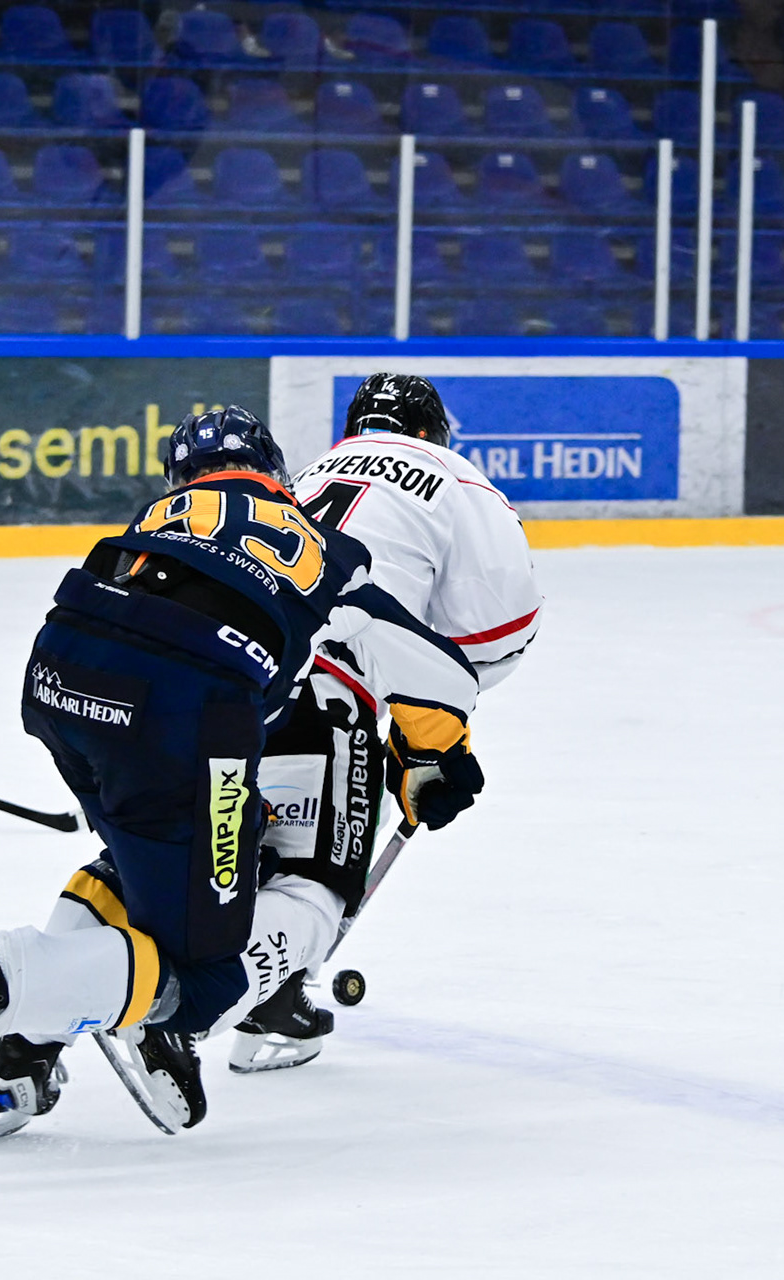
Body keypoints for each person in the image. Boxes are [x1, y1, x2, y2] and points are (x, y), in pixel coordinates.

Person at [0, 406, 484, 1144]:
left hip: (58, 681)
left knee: (144, 858)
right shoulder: (329, 550)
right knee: (205, 977)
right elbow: (440, 670)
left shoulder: (162, 519)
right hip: (186, 708)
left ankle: (21, 1064)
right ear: (279, 474)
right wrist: (437, 756)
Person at [229, 372, 542, 1072]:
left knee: (228, 843)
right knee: (316, 879)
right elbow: (498, 633)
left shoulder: (308, 474)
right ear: (434, 431)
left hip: (228, 672)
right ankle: (242, 991)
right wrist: (423, 735)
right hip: (331, 689)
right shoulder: (455, 477)